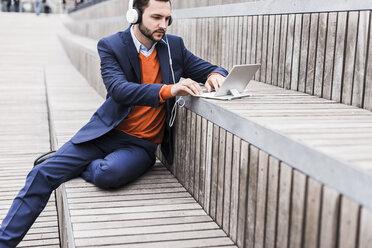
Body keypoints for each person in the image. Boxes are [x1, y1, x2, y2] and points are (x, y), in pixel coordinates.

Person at [0, 0, 227, 246]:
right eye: (156, 17)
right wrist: (168, 90)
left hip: (141, 145)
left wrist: (215, 75)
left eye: (167, 18)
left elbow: (213, 69)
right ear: (135, 14)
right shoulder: (111, 46)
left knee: (108, 174)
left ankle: (75, 165)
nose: (163, 25)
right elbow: (119, 90)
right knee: (41, 173)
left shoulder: (174, 47)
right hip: (105, 134)